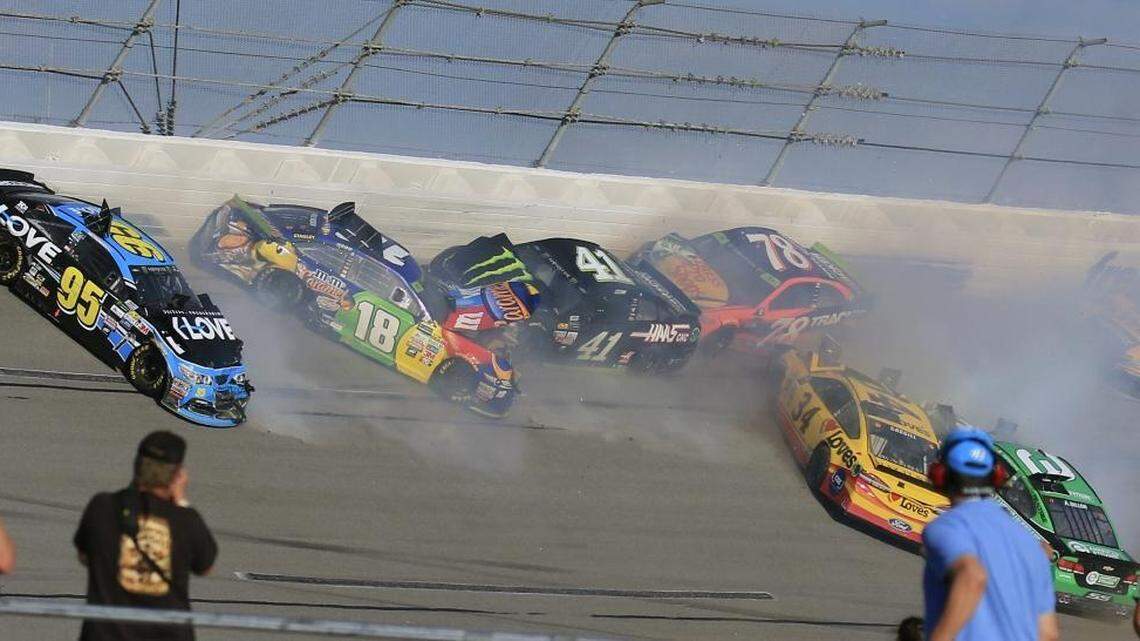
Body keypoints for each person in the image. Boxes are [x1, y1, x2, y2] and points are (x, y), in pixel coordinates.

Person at [74, 431, 217, 641]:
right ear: (177, 476)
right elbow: (206, 566)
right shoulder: (185, 520)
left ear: (137, 466)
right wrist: (182, 502)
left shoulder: (102, 506)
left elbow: (84, 556)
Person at [922, 427, 1059, 641]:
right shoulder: (1033, 546)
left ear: (939, 474)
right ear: (996, 477)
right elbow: (1048, 634)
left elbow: (972, 575)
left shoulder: (947, 527)